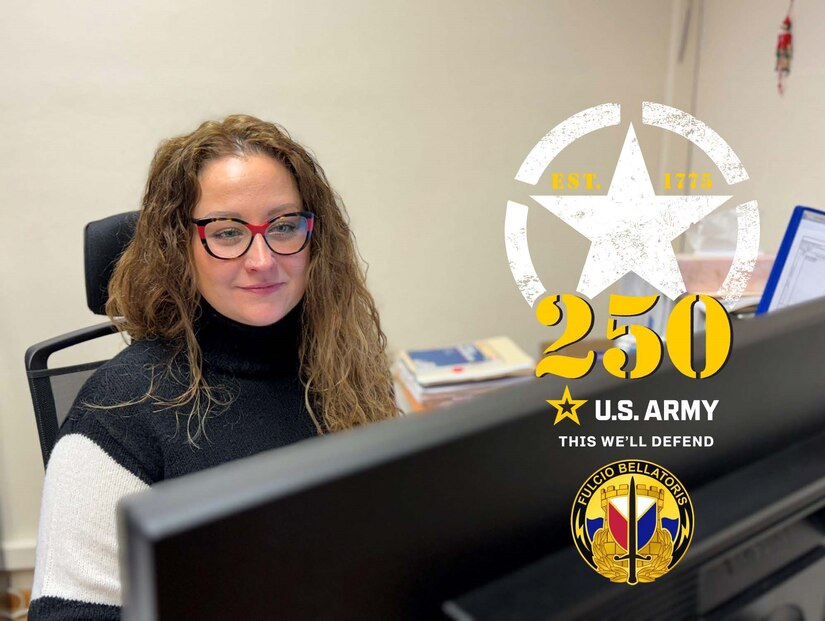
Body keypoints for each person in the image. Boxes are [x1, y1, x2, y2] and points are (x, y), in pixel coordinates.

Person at [28, 115, 397, 620]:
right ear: (177, 246)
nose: (263, 260)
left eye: (284, 226)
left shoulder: (344, 366)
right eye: (227, 233)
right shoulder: (118, 412)